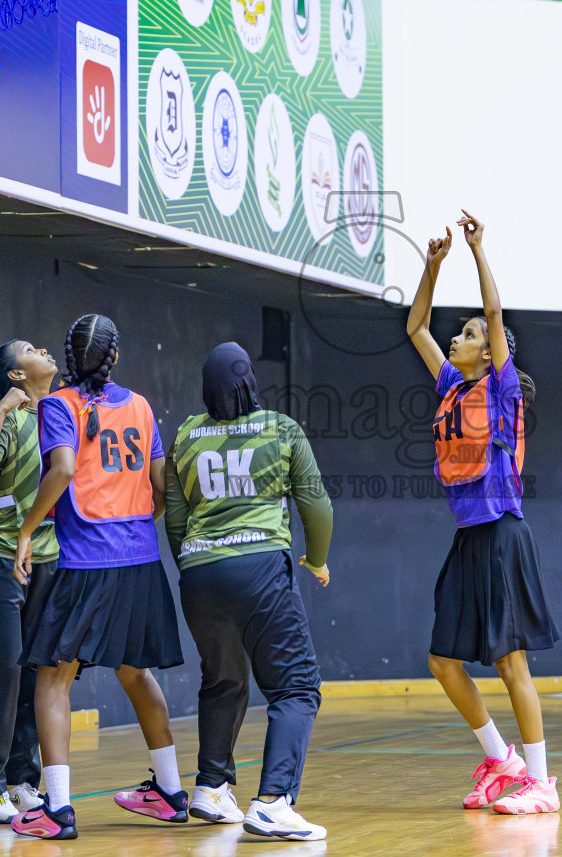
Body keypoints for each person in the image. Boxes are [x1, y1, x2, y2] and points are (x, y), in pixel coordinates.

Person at [406, 210, 561, 817]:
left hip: (502, 535)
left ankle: (542, 784)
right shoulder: (450, 386)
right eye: (463, 334)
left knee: (509, 661)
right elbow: (415, 323)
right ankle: (502, 759)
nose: (457, 338)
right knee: (443, 661)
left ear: (488, 349)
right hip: (468, 539)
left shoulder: (501, 391)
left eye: (467, 334)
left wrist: (476, 251)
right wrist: (432, 265)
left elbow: (496, 316)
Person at [9, 315, 186, 841]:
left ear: (68, 358)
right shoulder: (140, 406)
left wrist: (26, 529)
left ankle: (57, 810)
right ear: (115, 357)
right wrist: (135, 527)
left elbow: (61, 470)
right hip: (139, 561)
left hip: (86, 563)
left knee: (52, 677)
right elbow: (161, 484)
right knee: (135, 672)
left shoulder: (58, 405)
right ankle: (172, 793)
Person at [163, 342, 336, 842]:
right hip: (259, 568)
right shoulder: (280, 429)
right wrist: (317, 560)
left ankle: (212, 787)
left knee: (224, 679)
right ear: (249, 383)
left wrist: (195, 567)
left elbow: (176, 520)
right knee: (296, 686)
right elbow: (316, 505)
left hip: (198, 573)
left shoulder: (187, 435)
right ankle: (273, 801)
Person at [0, 339, 60, 823]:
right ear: (15, 376)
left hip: (49, 558)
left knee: (34, 674)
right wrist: (1, 411)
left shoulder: (61, 417)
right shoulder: (11, 420)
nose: (43, 348)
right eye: (28, 349)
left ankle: (25, 781)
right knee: (0, 673)